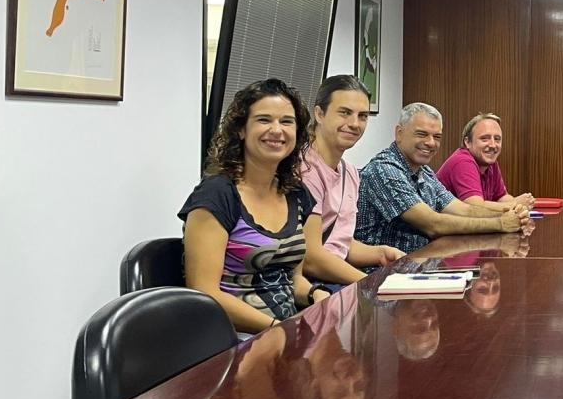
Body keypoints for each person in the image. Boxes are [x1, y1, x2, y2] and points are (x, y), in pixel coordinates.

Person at [180, 78, 331, 332]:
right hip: (231, 339)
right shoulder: (217, 194)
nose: (277, 130)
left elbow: (293, 279)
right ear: (241, 130)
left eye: (286, 121)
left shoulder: (297, 194)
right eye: (264, 120)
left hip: (285, 331)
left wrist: (317, 294)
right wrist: (279, 330)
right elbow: (205, 291)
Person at [356, 101, 528, 254]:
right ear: (399, 133)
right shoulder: (385, 170)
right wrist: (500, 223)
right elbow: (433, 224)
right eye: (422, 134)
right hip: (384, 275)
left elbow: (463, 210)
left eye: (437, 136)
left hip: (421, 264)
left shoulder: (425, 172)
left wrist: (510, 213)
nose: (431, 143)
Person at [299, 74, 406, 287]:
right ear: (319, 114)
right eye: (345, 113)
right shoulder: (305, 169)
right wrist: (370, 283)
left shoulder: (350, 172)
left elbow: (340, 243)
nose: (354, 124)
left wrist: (379, 253)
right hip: (312, 286)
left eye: (363, 116)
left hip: (334, 277)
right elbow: (311, 258)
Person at [436, 112, 534, 213]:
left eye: (497, 139)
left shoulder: (490, 162)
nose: (493, 145)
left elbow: (501, 197)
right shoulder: (462, 161)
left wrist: (521, 205)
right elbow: (475, 207)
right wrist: (515, 204)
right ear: (467, 142)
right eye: (484, 138)